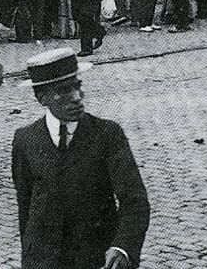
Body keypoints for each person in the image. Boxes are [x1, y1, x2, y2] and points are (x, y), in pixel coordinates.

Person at [12, 48, 150, 269]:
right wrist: (29, 257)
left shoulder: (107, 134)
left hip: (97, 259)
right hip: (45, 261)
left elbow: (135, 200)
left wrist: (122, 248)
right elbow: (26, 206)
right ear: (41, 97)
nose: (76, 98)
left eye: (77, 86)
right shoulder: (25, 139)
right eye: (63, 91)